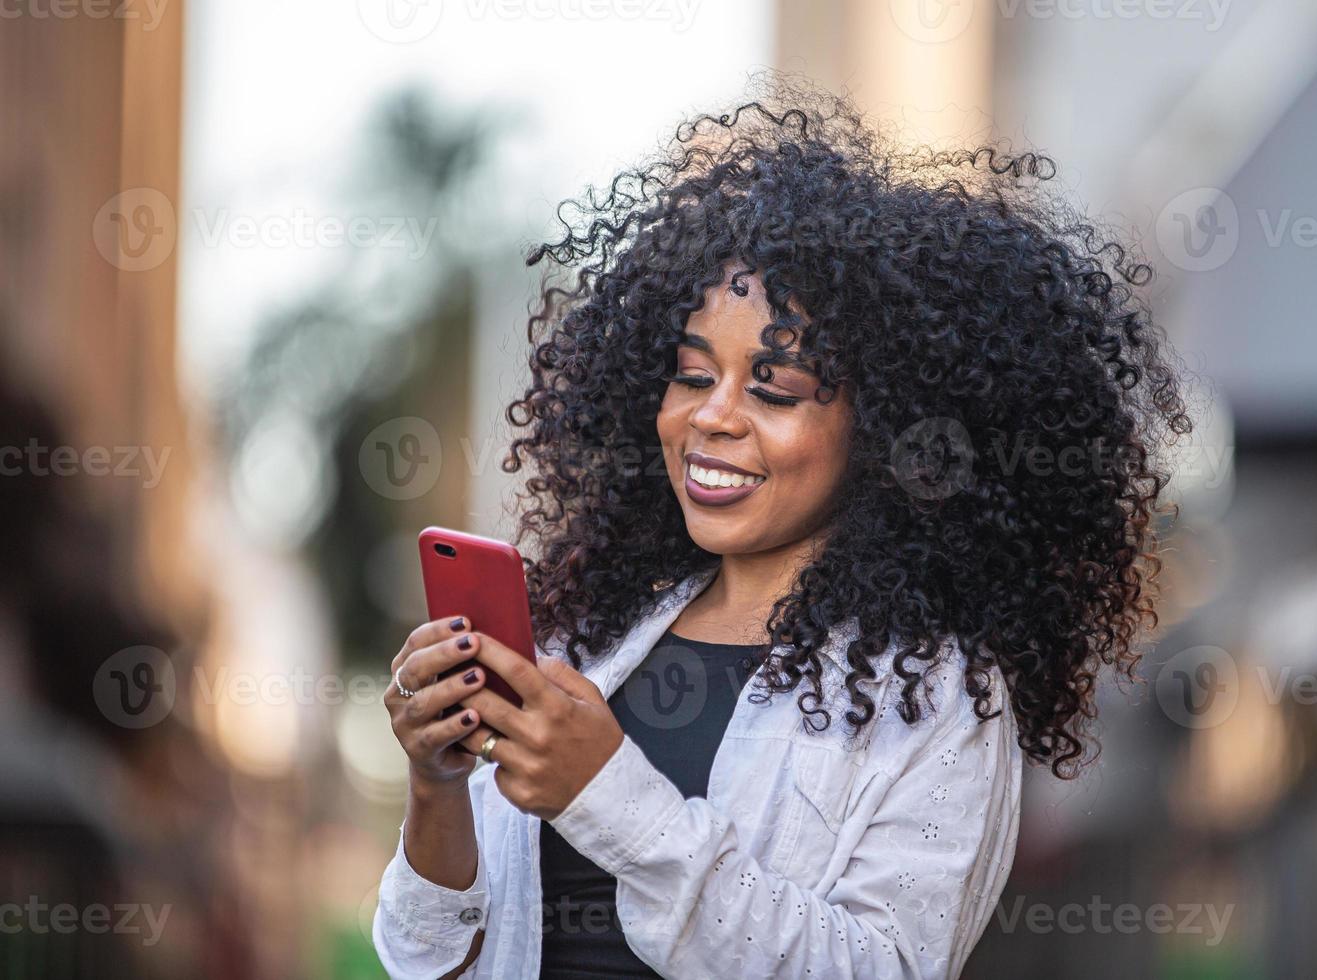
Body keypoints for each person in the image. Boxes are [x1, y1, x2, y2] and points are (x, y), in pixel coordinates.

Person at [373, 74, 1192, 979]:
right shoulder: (589, 647)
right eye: (691, 376)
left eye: (774, 389)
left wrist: (608, 795)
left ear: (883, 433)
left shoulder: (934, 694)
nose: (713, 417)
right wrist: (437, 783)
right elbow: (431, 962)